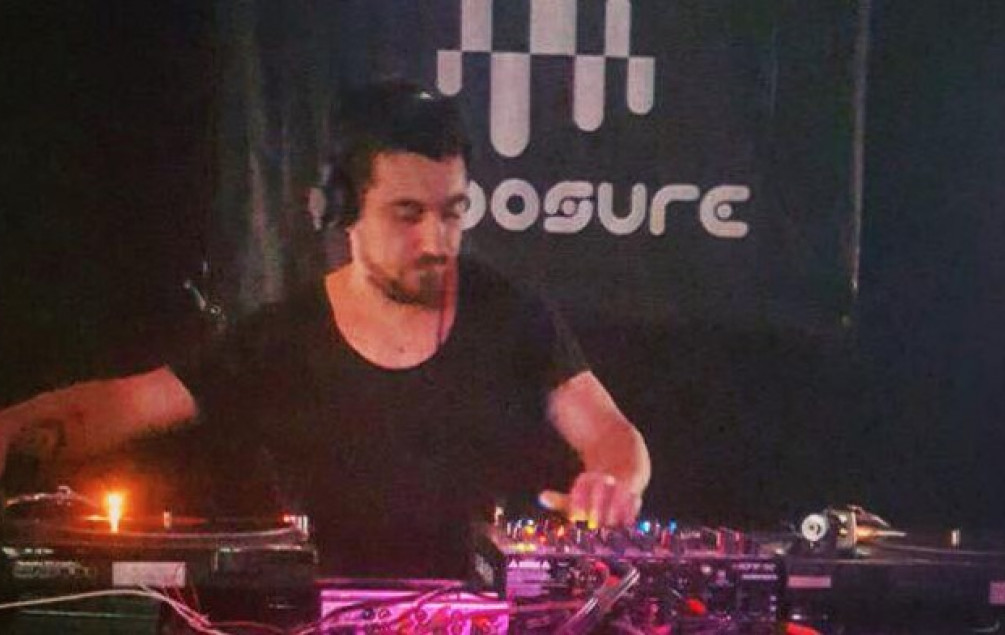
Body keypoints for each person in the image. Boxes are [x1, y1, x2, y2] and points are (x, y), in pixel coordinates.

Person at [0, 80, 650, 577]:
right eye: (407, 214)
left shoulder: (512, 316)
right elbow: (129, 403)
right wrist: (16, 425)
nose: (436, 241)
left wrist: (614, 480)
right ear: (343, 209)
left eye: (452, 212)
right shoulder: (282, 338)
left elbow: (611, 434)